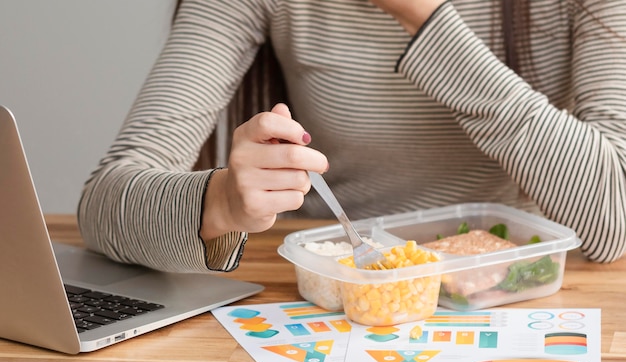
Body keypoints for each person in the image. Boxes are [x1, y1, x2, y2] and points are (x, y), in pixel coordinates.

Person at [78, 0, 626, 273]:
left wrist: (424, 15)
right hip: (323, 298)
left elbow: (612, 222)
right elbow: (104, 204)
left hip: (508, 296)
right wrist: (219, 201)